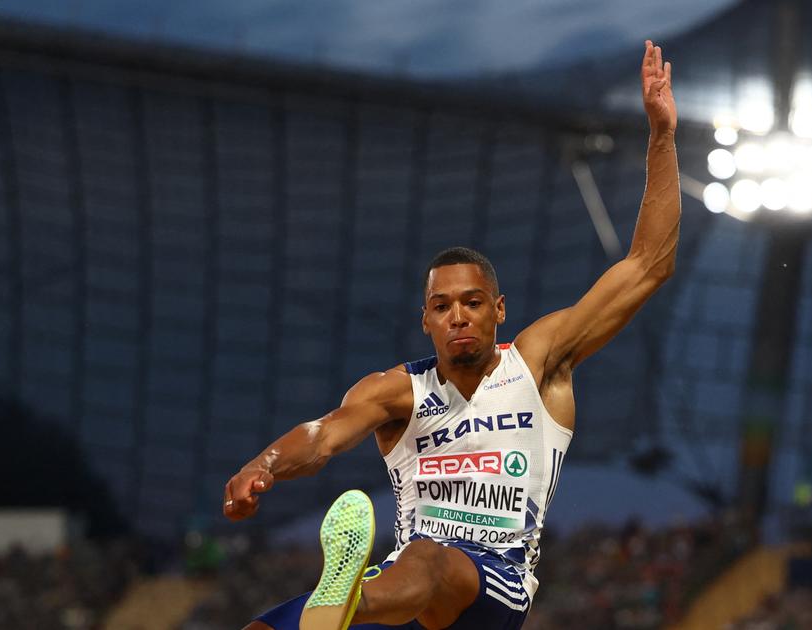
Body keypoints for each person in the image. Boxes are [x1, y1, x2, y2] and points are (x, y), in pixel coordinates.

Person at [224, 40, 680, 630]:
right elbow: (323, 438)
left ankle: (346, 602)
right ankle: (344, 603)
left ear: (499, 311)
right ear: (426, 320)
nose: (458, 316)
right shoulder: (397, 392)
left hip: (494, 586)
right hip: (406, 591)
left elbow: (648, 265)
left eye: (472, 303)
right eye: (441, 306)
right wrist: (263, 466)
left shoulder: (539, 362)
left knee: (428, 558)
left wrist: (663, 137)